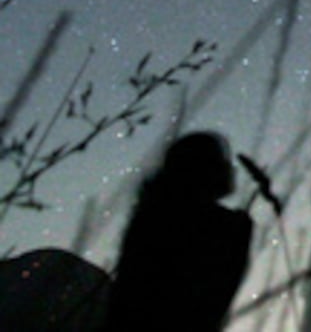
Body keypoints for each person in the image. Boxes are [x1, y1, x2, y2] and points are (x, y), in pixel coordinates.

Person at [103, 131, 253, 332]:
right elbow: (210, 302)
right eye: (222, 161)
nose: (231, 168)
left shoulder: (153, 215)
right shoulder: (218, 225)